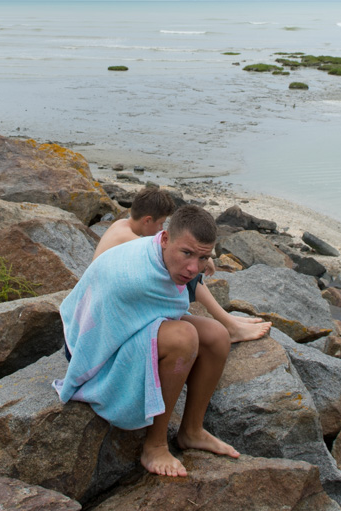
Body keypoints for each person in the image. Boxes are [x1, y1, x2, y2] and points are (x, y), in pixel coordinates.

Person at [55, 205, 240, 477]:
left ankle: (191, 430)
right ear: (164, 239)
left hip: (128, 327)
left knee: (217, 335)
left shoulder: (161, 253)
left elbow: (168, 303)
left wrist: (197, 256)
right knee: (183, 339)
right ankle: (154, 445)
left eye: (202, 258)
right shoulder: (134, 276)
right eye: (186, 253)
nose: (192, 268)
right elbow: (100, 331)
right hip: (91, 348)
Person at [94, 187, 271, 344]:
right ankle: (230, 325)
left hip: (110, 296)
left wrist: (196, 254)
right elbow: (157, 252)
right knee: (188, 276)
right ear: (147, 220)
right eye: (161, 223)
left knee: (185, 269)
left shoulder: (120, 224)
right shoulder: (128, 238)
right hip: (108, 307)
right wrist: (201, 257)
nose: (161, 228)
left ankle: (229, 321)